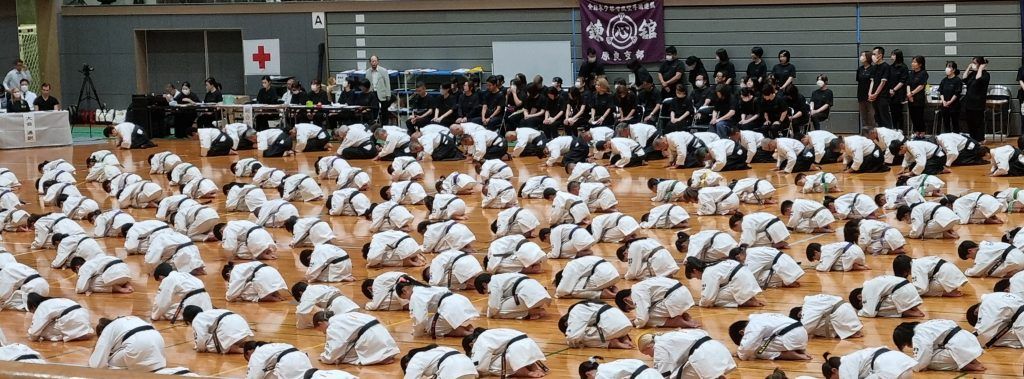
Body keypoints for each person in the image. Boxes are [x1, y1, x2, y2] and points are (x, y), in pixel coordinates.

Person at [892, 320, 986, 372]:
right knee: (936, 351)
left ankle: (967, 366)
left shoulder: (918, 336)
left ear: (906, 339)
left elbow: (921, 363)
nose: (910, 346)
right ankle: (973, 361)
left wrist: (912, 367)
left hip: (958, 346)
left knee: (929, 361)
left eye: (907, 345)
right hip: (970, 339)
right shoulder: (928, 324)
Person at [637, 329, 736, 379]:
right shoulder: (673, 334)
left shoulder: (658, 346)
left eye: (646, 353)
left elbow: (663, 374)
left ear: (649, 346)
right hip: (718, 349)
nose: (650, 356)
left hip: (704, 357)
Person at [315, 311, 399, 365]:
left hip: (370, 337)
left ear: (320, 323)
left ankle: (379, 358)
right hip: (382, 332)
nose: (324, 333)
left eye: (321, 330)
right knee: (346, 349)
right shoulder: (344, 315)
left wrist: (325, 357)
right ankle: (383, 355)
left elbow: (337, 347)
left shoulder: (332, 326)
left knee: (344, 358)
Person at [615, 276, 697, 328]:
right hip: (684, 293)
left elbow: (643, 319)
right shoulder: (642, 284)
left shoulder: (636, 292)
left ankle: (676, 321)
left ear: (626, 300)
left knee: (647, 317)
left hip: (675, 299)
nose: (634, 307)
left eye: (630, 307)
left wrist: (634, 322)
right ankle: (683, 314)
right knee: (648, 311)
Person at [89, 316, 166, 371]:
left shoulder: (107, 330)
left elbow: (96, 365)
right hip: (159, 341)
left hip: (137, 344)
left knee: (108, 363)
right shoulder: (130, 319)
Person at [684, 256, 763, 307]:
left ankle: (746, 303)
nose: (698, 279)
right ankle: (751, 299)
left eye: (695, 277)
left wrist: (701, 303)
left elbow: (708, 299)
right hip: (747, 276)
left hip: (741, 281)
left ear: (695, 271)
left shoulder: (708, 273)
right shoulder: (712, 265)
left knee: (715, 299)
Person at [730, 313, 810, 361]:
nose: (746, 338)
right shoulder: (760, 317)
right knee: (761, 342)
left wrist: (739, 353)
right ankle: (796, 349)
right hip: (801, 332)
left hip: (791, 337)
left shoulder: (752, 326)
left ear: (741, 332)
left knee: (756, 350)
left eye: (744, 338)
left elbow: (747, 348)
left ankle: (789, 355)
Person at [559, 300, 634, 349]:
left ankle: (612, 344)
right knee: (592, 329)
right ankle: (625, 339)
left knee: (581, 338)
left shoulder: (576, 310)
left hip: (612, 327)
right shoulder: (592, 304)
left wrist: (569, 342)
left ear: (567, 323)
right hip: (625, 325)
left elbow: (573, 337)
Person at [476, 272, 550, 319]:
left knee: (497, 313)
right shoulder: (503, 276)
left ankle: (532, 312)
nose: (488, 293)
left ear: (484, 285)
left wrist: (489, 314)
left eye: (485, 291)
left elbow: (494, 307)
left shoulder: (492, 283)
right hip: (541, 295)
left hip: (528, 295)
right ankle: (534, 309)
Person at [181, 305, 254, 354]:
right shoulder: (210, 312)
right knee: (229, 338)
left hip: (228, 328)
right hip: (241, 323)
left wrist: (200, 349)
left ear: (189, 320)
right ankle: (243, 344)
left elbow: (201, 338)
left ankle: (240, 350)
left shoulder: (197, 319)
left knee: (210, 346)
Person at [790, 293, 863, 339]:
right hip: (847, 309)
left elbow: (806, 327)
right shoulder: (813, 299)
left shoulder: (808, 306)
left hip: (842, 314)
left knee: (813, 328)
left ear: (800, 312)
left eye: (801, 315)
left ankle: (849, 330)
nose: (803, 316)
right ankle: (849, 330)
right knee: (817, 321)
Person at [26, 293, 93, 342]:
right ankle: (80, 332)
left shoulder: (42, 306)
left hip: (71, 318)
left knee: (43, 331)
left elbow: (34, 333)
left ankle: (73, 334)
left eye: (32, 312)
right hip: (84, 315)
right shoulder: (55, 300)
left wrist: (32, 334)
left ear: (33, 307)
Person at [730, 245, 804, 289]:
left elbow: (751, 277)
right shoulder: (750, 251)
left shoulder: (751, 257)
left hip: (785, 267)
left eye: (739, 262)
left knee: (756, 280)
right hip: (785, 264)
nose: (742, 263)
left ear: (738, 256)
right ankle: (785, 280)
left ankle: (782, 282)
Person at [850, 275, 925, 318]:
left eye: (862, 304)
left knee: (878, 309)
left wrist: (858, 313)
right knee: (880, 302)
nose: (864, 305)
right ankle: (915, 309)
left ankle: (911, 313)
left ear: (860, 297)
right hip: (910, 289)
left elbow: (870, 313)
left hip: (903, 293)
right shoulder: (871, 283)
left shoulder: (866, 290)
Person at [819, 348, 917, 379]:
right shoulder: (852, 358)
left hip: (892, 370)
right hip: (904, 365)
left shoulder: (844, 366)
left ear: (834, 370)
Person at [553, 255, 620, 299]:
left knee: (574, 291)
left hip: (604, 276)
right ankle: (611, 288)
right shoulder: (576, 263)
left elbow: (563, 291)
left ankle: (604, 294)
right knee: (581, 283)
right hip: (614, 274)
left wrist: (558, 294)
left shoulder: (570, 267)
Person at [223, 261, 288, 302]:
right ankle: (274, 293)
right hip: (273, 272)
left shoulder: (235, 271)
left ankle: (267, 297)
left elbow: (231, 296)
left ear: (228, 274)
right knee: (247, 286)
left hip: (263, 276)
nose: (230, 282)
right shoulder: (242, 267)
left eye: (229, 280)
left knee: (243, 294)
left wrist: (228, 296)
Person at [243, 341, 314, 379]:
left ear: (249, 352)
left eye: (248, 359)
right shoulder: (273, 346)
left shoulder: (257, 353)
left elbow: (254, 375)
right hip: (302, 357)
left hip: (288, 361)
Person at [958, 240, 1024, 278]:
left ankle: (1015, 272)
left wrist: (965, 272)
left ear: (970, 250)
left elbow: (976, 272)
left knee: (988, 272)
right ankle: (1017, 271)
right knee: (988, 267)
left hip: (1015, 261)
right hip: (1019, 256)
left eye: (970, 257)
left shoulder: (981, 253)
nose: (973, 259)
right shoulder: (985, 244)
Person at [905, 55, 930, 137]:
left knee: (919, 116)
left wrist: (912, 93)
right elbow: (908, 84)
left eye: (915, 62)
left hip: (918, 98)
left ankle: (922, 132)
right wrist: (909, 95)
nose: (913, 63)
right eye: (912, 62)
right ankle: (916, 132)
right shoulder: (911, 73)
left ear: (920, 64)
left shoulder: (923, 73)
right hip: (910, 98)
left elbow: (921, 86)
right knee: (913, 116)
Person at [870, 46, 893, 128]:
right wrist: (870, 94)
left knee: (884, 117)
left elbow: (883, 82)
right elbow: (872, 81)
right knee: (877, 117)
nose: (872, 56)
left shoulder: (886, 66)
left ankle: (889, 136)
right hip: (874, 97)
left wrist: (876, 94)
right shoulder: (874, 67)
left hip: (883, 96)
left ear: (880, 55)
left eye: (874, 54)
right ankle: (880, 137)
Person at [938, 61, 963, 133]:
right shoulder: (944, 80)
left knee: (955, 123)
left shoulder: (957, 80)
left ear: (954, 70)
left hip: (954, 105)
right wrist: (943, 101)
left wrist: (950, 101)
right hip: (944, 105)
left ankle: (956, 138)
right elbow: (941, 91)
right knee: (946, 123)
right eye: (946, 66)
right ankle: (947, 139)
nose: (947, 68)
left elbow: (957, 93)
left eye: (949, 67)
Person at [887, 49, 910, 130]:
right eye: (891, 54)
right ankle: (894, 128)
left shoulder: (903, 67)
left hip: (899, 93)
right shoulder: (890, 67)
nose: (892, 56)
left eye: (894, 55)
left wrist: (894, 90)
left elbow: (902, 81)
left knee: (898, 112)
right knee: (893, 112)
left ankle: (900, 129)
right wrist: (890, 90)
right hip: (890, 93)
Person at [367, 55, 392, 124]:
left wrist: (388, 94)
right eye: (372, 61)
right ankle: (374, 125)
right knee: (373, 110)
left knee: (384, 111)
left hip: (382, 93)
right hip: (372, 93)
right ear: (370, 62)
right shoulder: (368, 72)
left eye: (375, 61)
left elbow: (387, 83)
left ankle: (385, 125)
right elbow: (367, 83)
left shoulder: (383, 71)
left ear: (378, 62)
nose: (374, 63)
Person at [857, 51, 876, 130]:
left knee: (871, 116)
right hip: (861, 95)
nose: (861, 57)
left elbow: (873, 82)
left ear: (868, 58)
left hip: (870, 96)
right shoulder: (859, 69)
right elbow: (858, 81)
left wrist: (871, 93)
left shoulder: (873, 69)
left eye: (863, 56)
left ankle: (873, 134)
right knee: (863, 116)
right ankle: (865, 134)